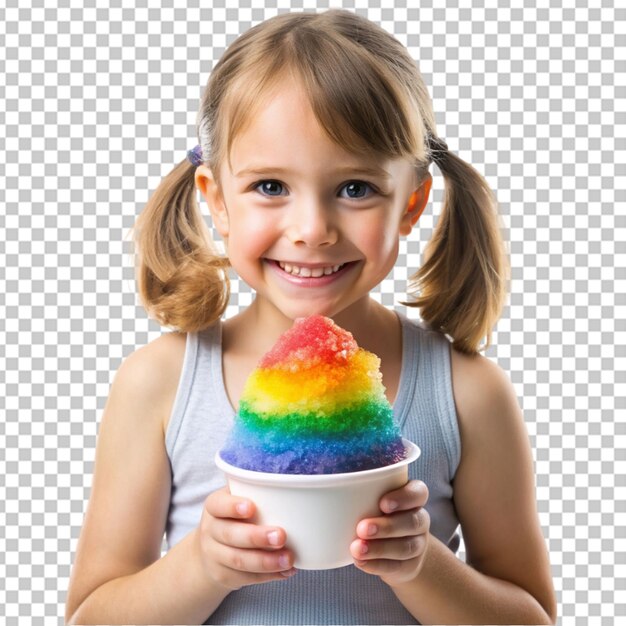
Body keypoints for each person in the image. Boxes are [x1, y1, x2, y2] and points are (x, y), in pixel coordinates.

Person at [65, 9, 556, 625]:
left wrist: (419, 562)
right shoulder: (159, 383)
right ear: (216, 200)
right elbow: (90, 616)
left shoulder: (468, 392)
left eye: (354, 188)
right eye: (270, 186)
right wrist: (201, 566)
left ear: (412, 202)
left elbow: (532, 617)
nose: (312, 231)